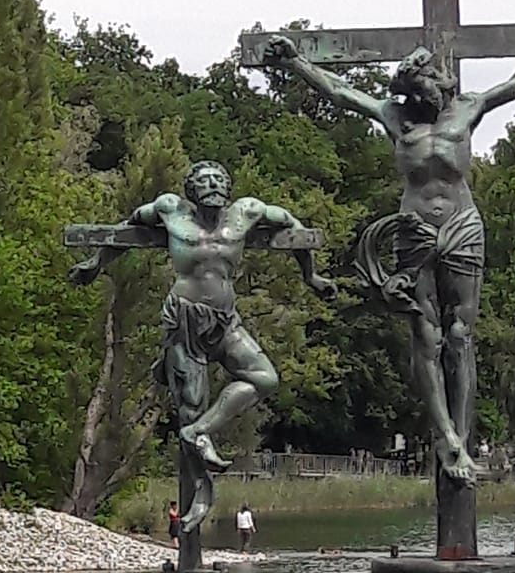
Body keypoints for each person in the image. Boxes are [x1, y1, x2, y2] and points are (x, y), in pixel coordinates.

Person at [269, 22, 515, 487]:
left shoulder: (468, 107)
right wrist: (296, 61)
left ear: (440, 83)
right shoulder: (394, 116)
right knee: (427, 336)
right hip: (414, 228)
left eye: (427, 90)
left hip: (462, 224)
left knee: (460, 335)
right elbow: (340, 91)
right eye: (414, 94)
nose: (423, 100)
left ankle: (463, 434)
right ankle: (446, 438)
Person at [69, 161, 335, 533]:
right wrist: (96, 264)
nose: (212, 186)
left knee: (264, 378)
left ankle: (200, 432)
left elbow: (294, 227)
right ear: (191, 189)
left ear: (229, 186)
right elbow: (127, 229)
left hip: (226, 321)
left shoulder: (246, 212)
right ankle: (198, 497)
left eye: (218, 180)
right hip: (185, 321)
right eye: (203, 181)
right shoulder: (170, 209)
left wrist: (312, 276)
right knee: (190, 406)